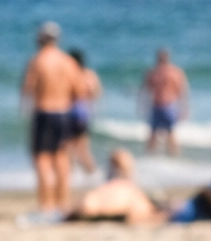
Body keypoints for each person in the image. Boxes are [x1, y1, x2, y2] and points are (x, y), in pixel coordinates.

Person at [20, 22, 82, 212]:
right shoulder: (68, 62)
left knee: (42, 159)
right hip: (64, 113)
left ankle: (46, 204)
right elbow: (79, 90)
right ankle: (62, 203)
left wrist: (25, 110)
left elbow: (28, 89)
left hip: (44, 112)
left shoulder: (37, 61)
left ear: (41, 39)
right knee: (62, 158)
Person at [65, 148, 163, 225]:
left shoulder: (103, 188)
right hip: (119, 209)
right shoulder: (130, 189)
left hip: (92, 207)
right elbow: (144, 210)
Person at [140, 46, 189, 155]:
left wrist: (142, 109)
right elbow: (183, 92)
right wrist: (184, 108)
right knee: (166, 134)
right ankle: (169, 157)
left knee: (161, 134)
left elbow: (144, 91)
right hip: (164, 106)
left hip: (163, 106)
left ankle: (154, 157)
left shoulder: (154, 72)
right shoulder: (175, 72)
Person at [66, 47, 101, 176]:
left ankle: (74, 174)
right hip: (85, 111)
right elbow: (96, 93)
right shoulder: (90, 74)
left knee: (70, 148)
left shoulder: (72, 74)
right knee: (82, 148)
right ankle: (92, 173)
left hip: (72, 111)